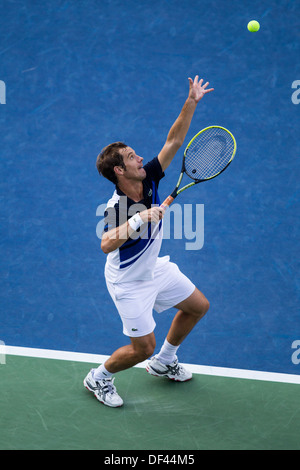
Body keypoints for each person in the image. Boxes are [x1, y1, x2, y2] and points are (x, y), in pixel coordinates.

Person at [84, 76, 214, 407]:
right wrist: (140, 218)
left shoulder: (151, 177)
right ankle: (98, 377)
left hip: (152, 269)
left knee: (197, 306)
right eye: (131, 157)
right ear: (119, 171)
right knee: (142, 347)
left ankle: (164, 361)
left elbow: (174, 141)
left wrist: (192, 101)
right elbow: (106, 244)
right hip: (128, 282)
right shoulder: (118, 207)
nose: (140, 158)